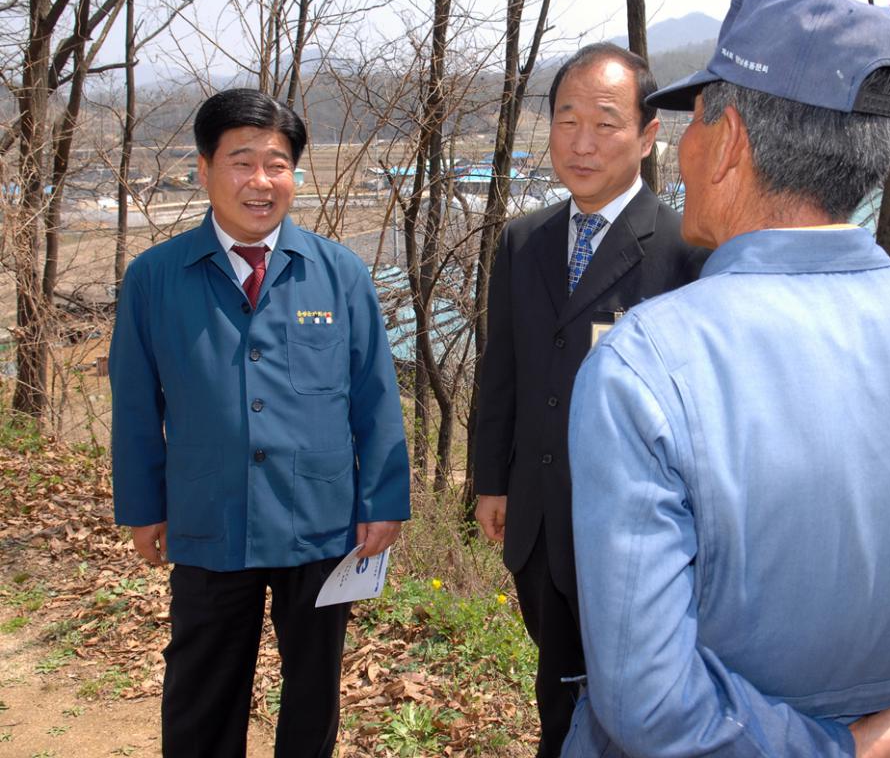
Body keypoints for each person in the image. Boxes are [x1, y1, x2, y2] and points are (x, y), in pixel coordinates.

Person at [562, 0, 890, 756]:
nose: (683, 151)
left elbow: (647, 702)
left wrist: (836, 748)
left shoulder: (645, 367)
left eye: (696, 120)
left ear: (732, 138)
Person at [109, 88, 410, 758]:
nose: (260, 181)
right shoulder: (156, 278)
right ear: (204, 168)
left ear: (294, 175)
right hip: (209, 516)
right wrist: (142, 506)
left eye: (277, 164)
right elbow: (134, 405)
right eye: (242, 162)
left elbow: (374, 396)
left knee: (312, 693)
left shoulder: (339, 273)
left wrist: (382, 501)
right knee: (201, 688)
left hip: (321, 520)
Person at [473, 43, 708, 756]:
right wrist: (490, 480)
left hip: (637, 534)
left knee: (633, 705)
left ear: (647, 134)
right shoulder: (524, 240)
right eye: (566, 118)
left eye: (605, 122)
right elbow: (503, 368)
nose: (581, 142)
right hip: (539, 521)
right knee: (557, 692)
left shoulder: (685, 250)